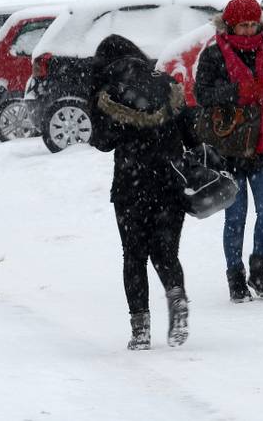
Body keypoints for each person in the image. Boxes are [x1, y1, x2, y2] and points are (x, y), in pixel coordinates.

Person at [88, 34, 194, 350]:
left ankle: (141, 330)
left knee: (134, 256)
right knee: (166, 252)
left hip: (131, 187)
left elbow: (103, 141)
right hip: (170, 183)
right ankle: (177, 299)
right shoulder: (167, 83)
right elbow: (191, 133)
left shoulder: (109, 93)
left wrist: (96, 100)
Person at [194, 0, 263, 303]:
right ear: (229, 25)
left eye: (252, 24)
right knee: (235, 217)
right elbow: (201, 94)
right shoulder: (213, 54)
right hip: (229, 148)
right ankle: (235, 277)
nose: (247, 30)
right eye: (242, 25)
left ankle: (259, 270)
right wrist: (236, 92)